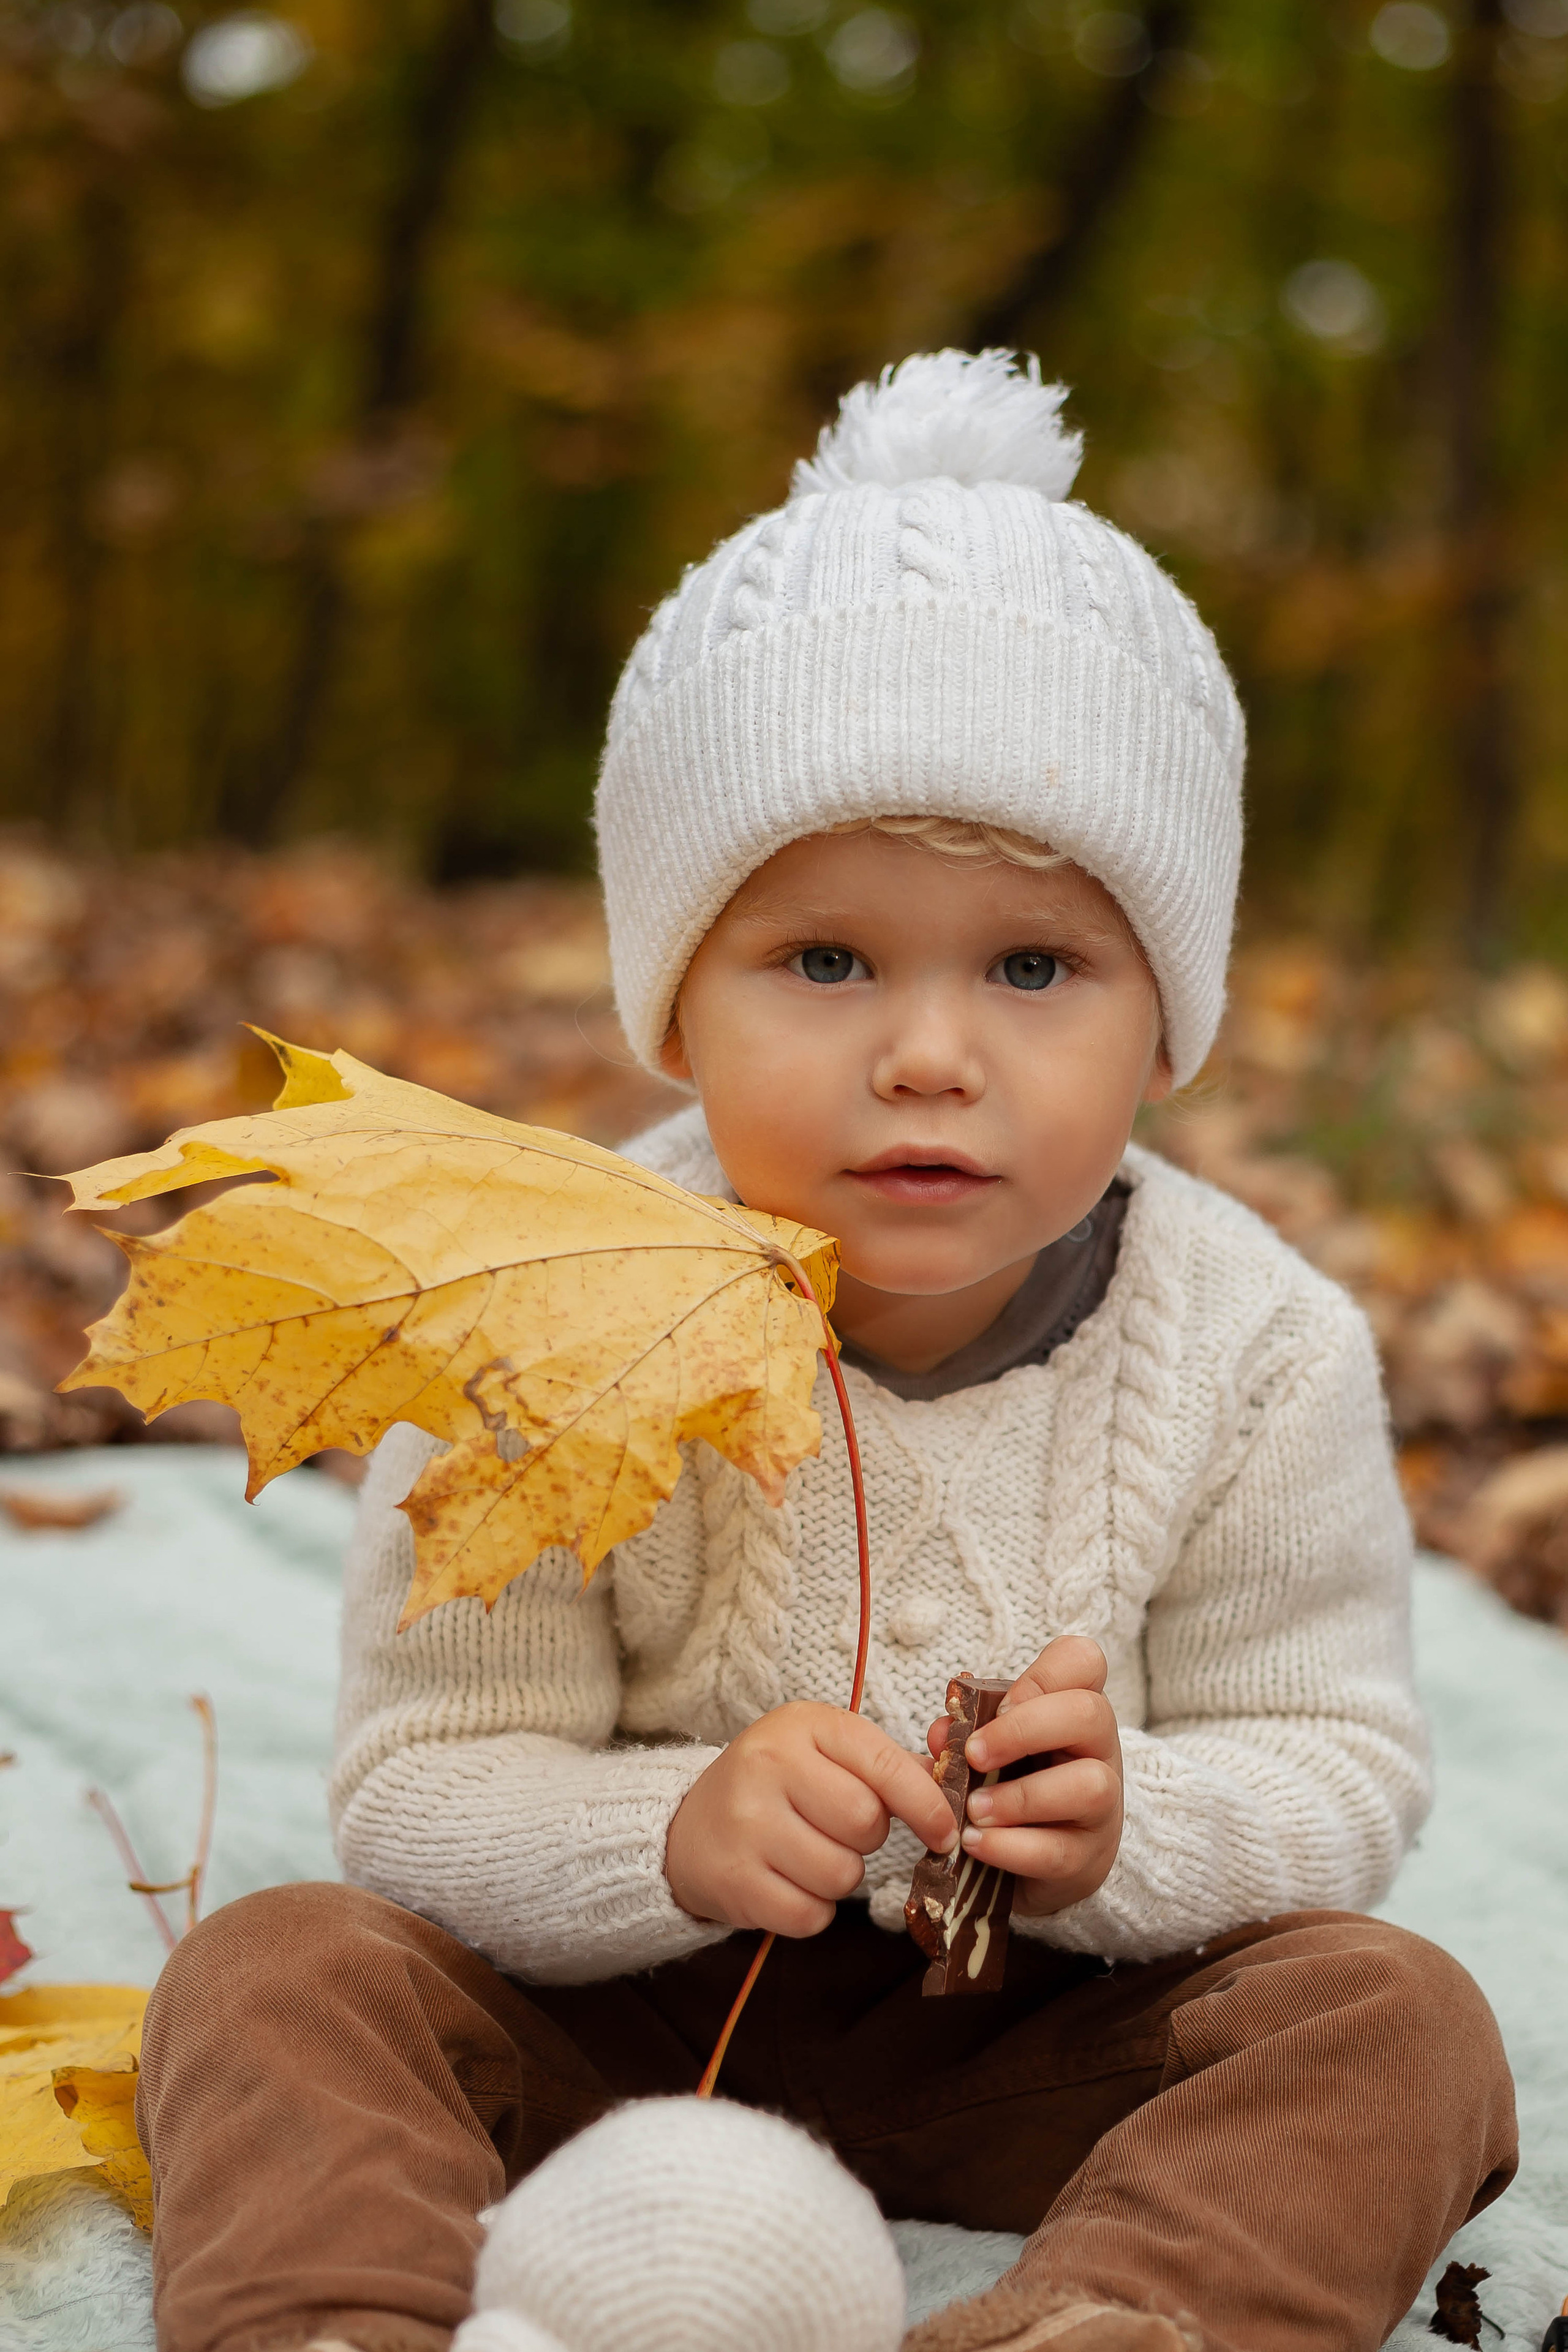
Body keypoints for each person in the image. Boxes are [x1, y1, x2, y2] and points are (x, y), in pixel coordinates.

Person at [135, 351, 1517, 2352]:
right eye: (826, 960)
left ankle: (1118, 2323)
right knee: (276, 1970)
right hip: (616, 2019)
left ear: (1170, 1022)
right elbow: (425, 1783)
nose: (931, 1051)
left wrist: (1134, 1830)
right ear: (677, 1007)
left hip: (1032, 2040)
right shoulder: (555, 1314)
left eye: (1037, 967)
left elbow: (1340, 1758)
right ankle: (334, 2319)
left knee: (1396, 2022)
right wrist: (670, 1834)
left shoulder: (1256, 1345)